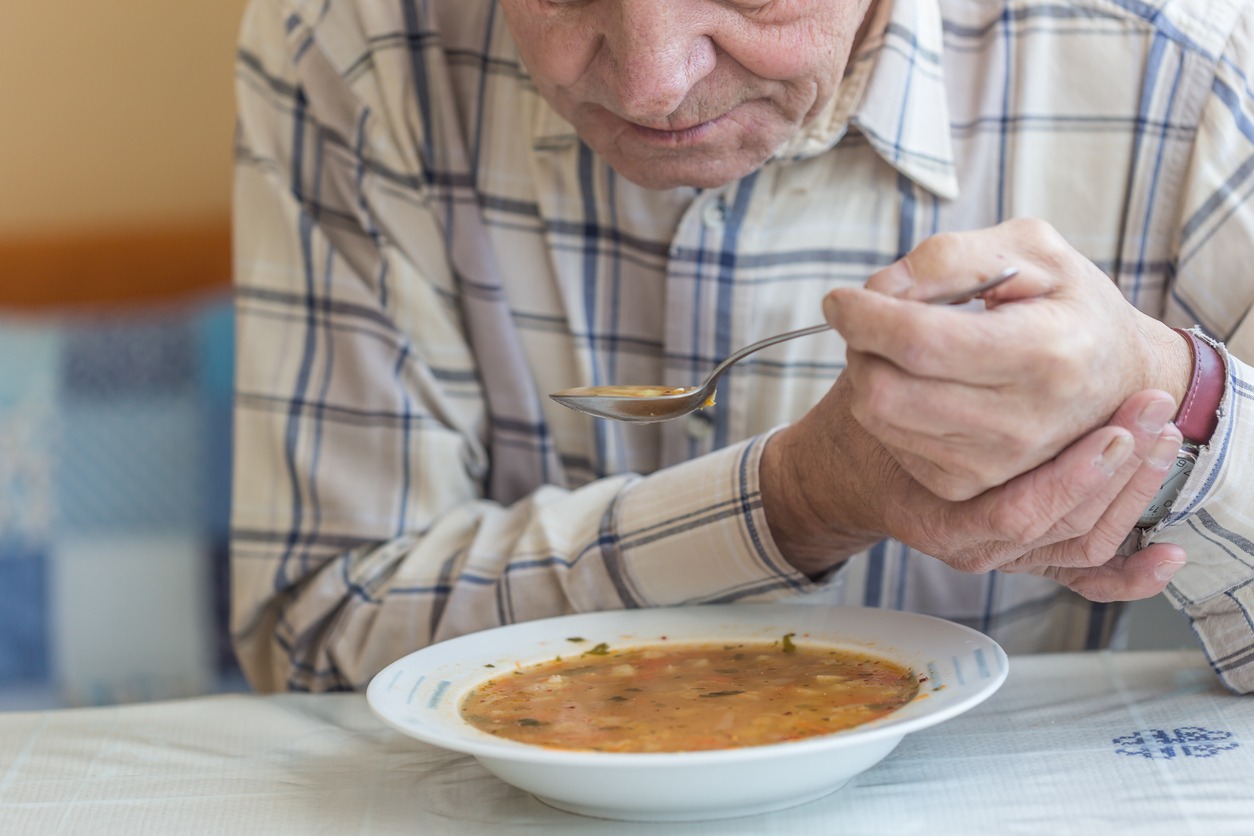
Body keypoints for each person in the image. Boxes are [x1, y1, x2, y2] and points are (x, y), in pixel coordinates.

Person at [229, 0, 1254, 694]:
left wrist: (1178, 390)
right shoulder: (359, 40)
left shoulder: (1184, 58)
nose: (651, 85)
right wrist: (795, 499)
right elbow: (317, 637)